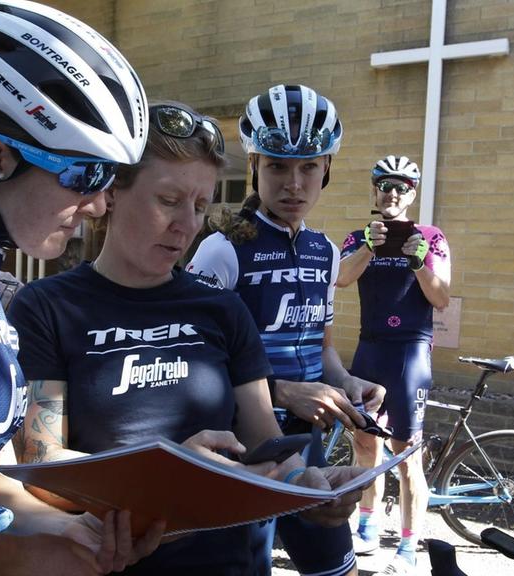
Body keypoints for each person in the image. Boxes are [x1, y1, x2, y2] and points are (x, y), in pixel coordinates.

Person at [8, 101, 366, 576]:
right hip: (104, 561)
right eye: (169, 200)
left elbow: (265, 437)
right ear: (113, 191)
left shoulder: (221, 309)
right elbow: (41, 464)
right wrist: (168, 474)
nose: (188, 225)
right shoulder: (45, 307)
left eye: (200, 205)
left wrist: (307, 485)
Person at [0, 2, 166, 574]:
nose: (97, 205)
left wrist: (72, 529)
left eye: (110, 182)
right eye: (85, 174)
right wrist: (19, 559)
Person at [188, 84, 386, 576]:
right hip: (243, 446)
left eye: (309, 167)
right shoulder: (222, 248)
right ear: (255, 166)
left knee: (337, 571)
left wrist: (349, 384)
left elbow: (324, 352)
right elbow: (191, 361)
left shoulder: (324, 252)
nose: (294, 184)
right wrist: (283, 391)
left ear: (327, 170)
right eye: (277, 166)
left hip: (308, 443)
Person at [336, 155, 451, 576]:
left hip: (410, 353)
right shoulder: (359, 236)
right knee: (365, 444)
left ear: (413, 193)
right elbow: (342, 279)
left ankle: (408, 546)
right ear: (374, 190)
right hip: (370, 350)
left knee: (407, 457)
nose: (393, 193)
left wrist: (419, 262)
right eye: (385, 185)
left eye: (402, 186)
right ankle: (366, 526)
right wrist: (368, 244)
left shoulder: (431, 237)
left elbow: (441, 298)